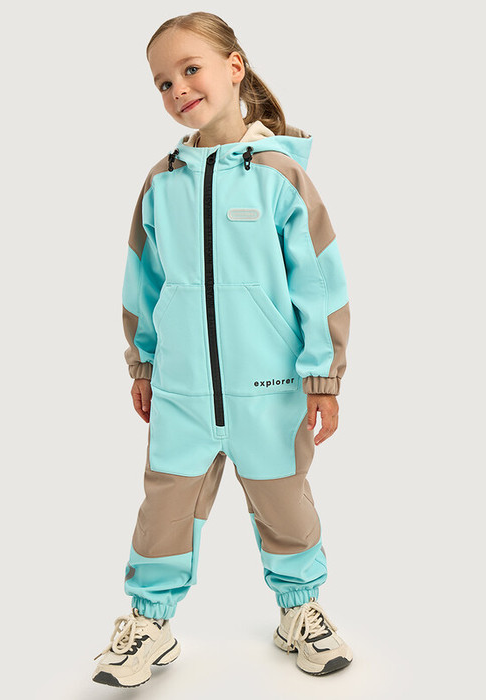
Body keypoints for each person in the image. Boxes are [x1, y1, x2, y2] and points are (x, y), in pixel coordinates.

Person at [92, 11, 353, 688]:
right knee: (163, 512)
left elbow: (318, 282)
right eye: (162, 82)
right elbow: (142, 283)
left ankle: (300, 611)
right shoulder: (162, 183)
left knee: (285, 505)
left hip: (269, 391)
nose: (177, 88)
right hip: (181, 393)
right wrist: (143, 364)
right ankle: (149, 624)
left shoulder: (277, 177)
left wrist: (322, 378)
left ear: (233, 68)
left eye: (190, 69)